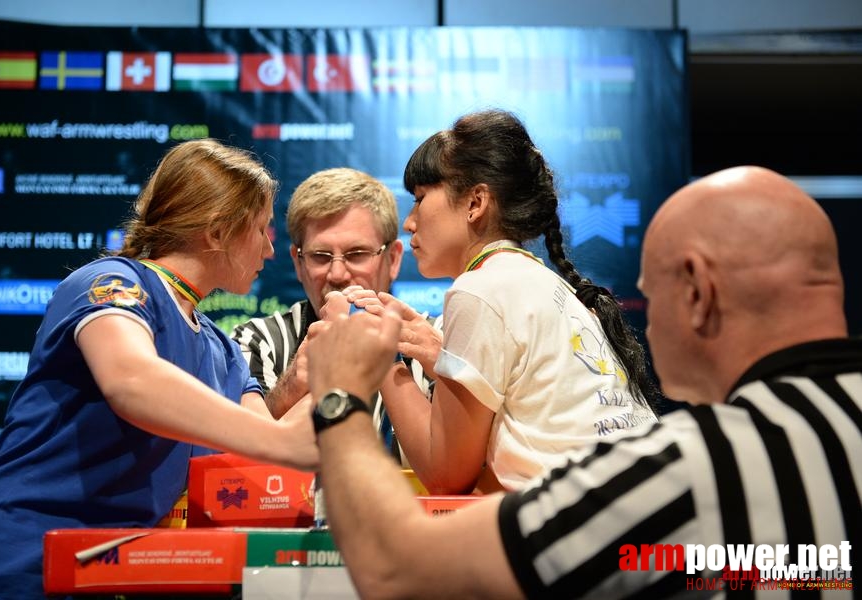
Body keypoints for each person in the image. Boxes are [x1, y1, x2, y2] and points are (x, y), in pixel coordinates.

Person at [305, 165, 859, 598]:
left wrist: (342, 394)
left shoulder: (692, 468)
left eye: (653, 293)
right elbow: (809, 567)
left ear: (697, 290)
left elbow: (398, 567)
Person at [0, 139, 318, 600]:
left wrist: (331, 376)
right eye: (263, 229)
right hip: (13, 558)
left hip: (99, 572)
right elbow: (131, 380)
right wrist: (283, 436)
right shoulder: (113, 281)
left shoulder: (222, 349)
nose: (271, 250)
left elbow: (267, 454)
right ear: (216, 232)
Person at [366, 109, 657, 494]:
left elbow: (444, 475)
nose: (410, 221)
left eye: (420, 199)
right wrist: (441, 361)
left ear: (475, 202)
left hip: (589, 536)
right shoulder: (542, 283)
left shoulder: (479, 289)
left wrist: (380, 357)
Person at [231, 167, 439, 462]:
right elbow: (235, 460)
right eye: (320, 256)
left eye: (357, 254)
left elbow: (455, 465)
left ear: (392, 259)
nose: (338, 274)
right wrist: (294, 385)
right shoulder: (256, 341)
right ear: (298, 263)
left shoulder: (439, 341)